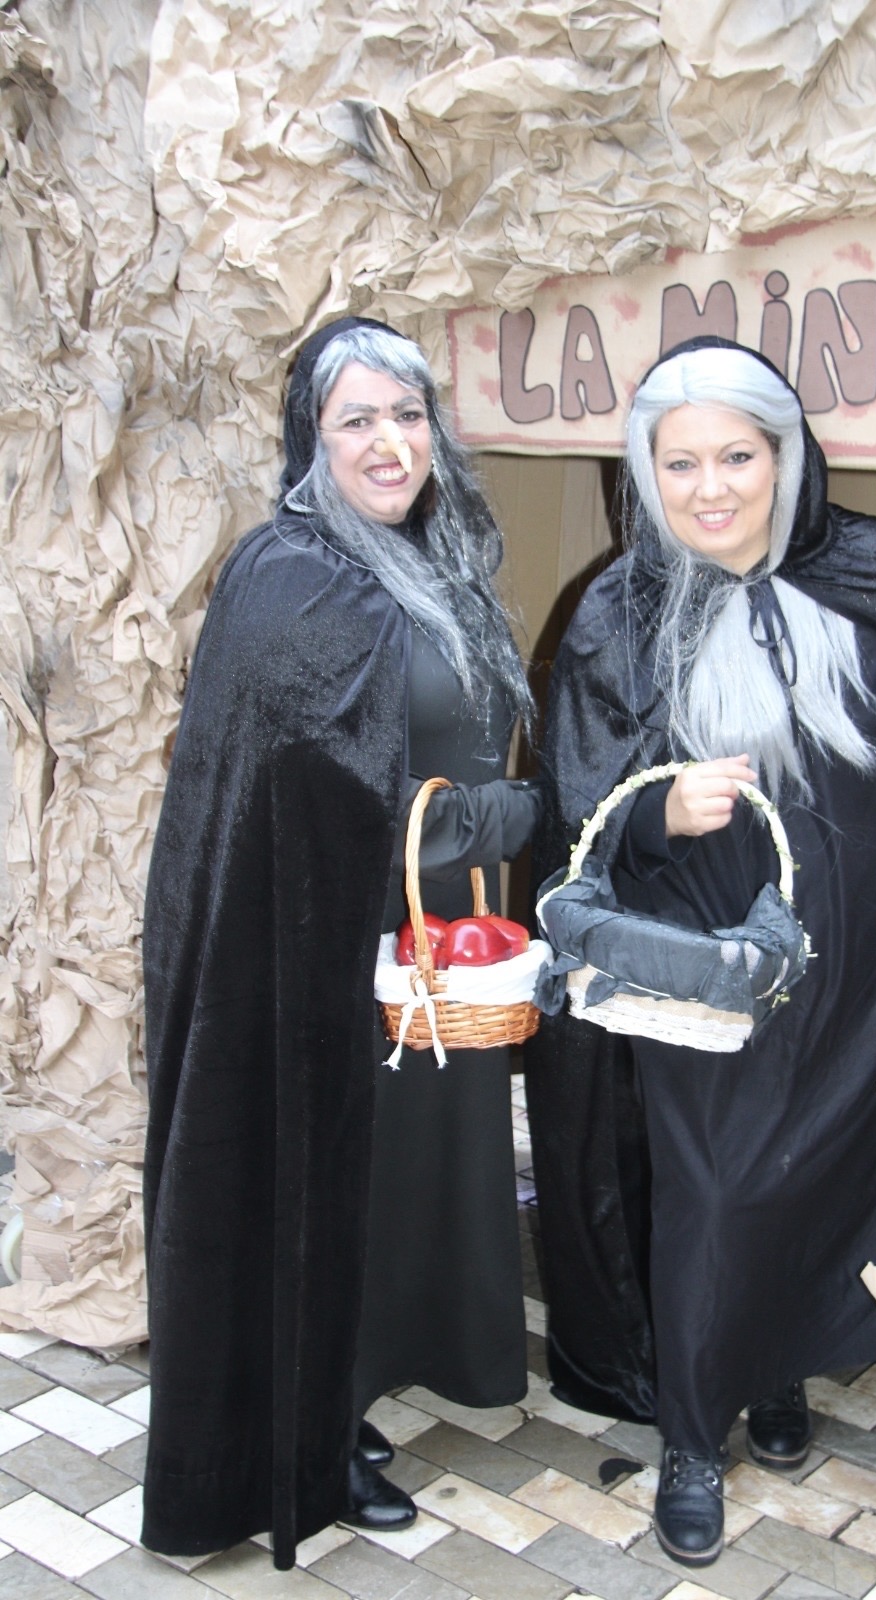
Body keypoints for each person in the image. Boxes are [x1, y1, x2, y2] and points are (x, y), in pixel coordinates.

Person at [525, 336, 876, 1568]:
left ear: (785, 457)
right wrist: (662, 807)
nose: (710, 488)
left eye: (737, 457)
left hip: (869, 949)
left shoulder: (871, 569)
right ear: (645, 471)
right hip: (710, 959)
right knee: (713, 1188)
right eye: (681, 462)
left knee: (826, 1169)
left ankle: (778, 1371)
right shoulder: (620, 610)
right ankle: (694, 1436)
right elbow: (580, 806)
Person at [141, 317, 541, 1570]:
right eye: (356, 419)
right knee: (338, 1180)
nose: (389, 443)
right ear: (310, 439)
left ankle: (407, 1361)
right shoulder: (290, 575)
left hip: (438, 932)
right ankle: (319, 1420)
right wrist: (503, 819)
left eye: (408, 415)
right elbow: (315, 797)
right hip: (321, 943)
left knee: (420, 1166)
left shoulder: (439, 558)